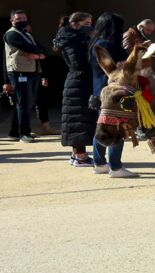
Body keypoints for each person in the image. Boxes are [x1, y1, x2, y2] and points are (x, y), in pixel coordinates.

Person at [89, 12, 139, 178]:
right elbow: (120, 68)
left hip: (99, 90)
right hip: (114, 93)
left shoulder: (95, 43)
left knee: (102, 126)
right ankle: (116, 167)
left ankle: (99, 163)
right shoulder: (108, 45)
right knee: (118, 126)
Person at [53, 12, 97, 167]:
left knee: (78, 119)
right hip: (78, 81)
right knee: (78, 120)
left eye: (90, 23)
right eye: (86, 23)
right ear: (74, 24)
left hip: (78, 81)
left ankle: (76, 154)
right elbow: (78, 62)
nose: (89, 26)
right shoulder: (73, 40)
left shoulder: (74, 38)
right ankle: (80, 156)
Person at [3, 10, 46, 143]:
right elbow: (29, 48)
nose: (22, 20)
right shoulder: (11, 34)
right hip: (19, 72)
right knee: (23, 103)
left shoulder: (27, 35)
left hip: (31, 72)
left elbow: (42, 49)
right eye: (18, 19)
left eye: (24, 18)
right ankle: (24, 133)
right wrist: (39, 53)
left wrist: (39, 54)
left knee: (26, 103)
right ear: (12, 21)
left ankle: (14, 132)